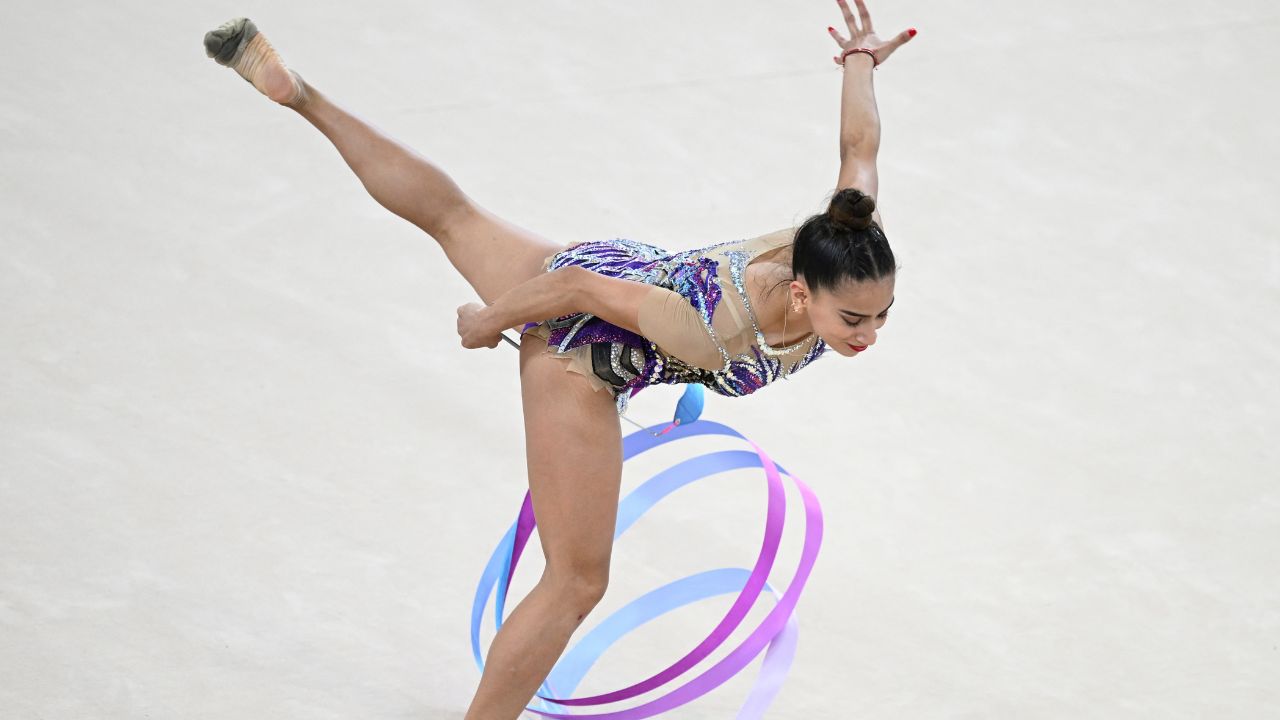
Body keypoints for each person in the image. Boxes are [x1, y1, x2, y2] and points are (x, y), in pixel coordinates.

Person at [202, 1, 913, 717]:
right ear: (799, 289)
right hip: (580, 348)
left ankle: (301, 95)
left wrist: (859, 62)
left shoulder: (848, 240)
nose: (869, 333)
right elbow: (574, 292)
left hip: (622, 273)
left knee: (451, 215)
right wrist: (490, 319)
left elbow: (860, 147)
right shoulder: (716, 330)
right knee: (576, 583)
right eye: (853, 319)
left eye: (884, 314)